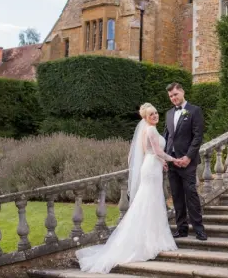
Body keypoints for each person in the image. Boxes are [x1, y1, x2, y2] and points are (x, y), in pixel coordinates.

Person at [75, 103, 178, 274]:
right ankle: (149, 242)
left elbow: (148, 151)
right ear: (145, 118)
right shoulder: (151, 130)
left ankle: (151, 239)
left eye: (156, 113)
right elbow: (158, 151)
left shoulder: (148, 130)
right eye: (151, 114)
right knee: (149, 202)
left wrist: (162, 163)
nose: (155, 116)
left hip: (152, 166)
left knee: (150, 203)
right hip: (151, 170)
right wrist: (174, 160)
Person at [163, 82, 207, 241]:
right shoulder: (168, 114)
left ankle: (199, 229)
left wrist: (188, 157)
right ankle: (181, 229)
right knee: (176, 196)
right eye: (171, 96)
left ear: (182, 92)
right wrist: (164, 157)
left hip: (187, 162)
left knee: (191, 194)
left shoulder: (194, 111)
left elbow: (197, 137)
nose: (173, 98)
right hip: (172, 162)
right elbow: (166, 137)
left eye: (175, 94)